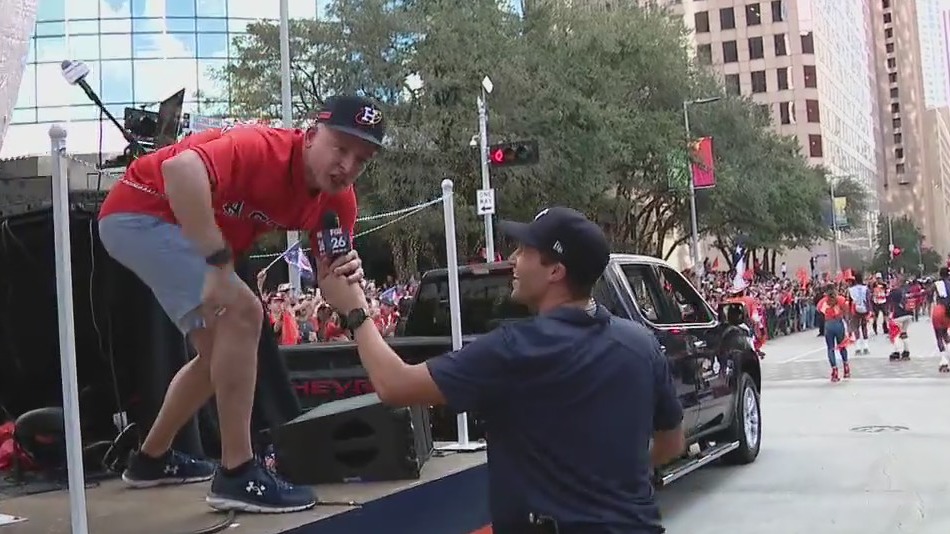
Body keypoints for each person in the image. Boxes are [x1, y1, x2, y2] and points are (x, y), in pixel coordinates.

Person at [316, 207, 685, 534]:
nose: (512, 260)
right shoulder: (641, 344)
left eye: (525, 251)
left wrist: (356, 310)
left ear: (555, 271)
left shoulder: (516, 349)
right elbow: (672, 442)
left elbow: (394, 385)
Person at [97, 95, 385, 512]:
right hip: (139, 212)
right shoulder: (262, 147)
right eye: (340, 147)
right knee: (245, 312)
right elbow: (179, 170)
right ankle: (237, 473)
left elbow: (329, 276)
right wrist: (216, 259)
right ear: (309, 135)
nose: (348, 166)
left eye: (362, 158)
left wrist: (348, 289)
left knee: (220, 356)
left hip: (171, 231)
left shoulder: (339, 203)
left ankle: (150, 459)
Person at [817, 285, 850, 382]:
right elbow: (846, 309)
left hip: (828, 325)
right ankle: (846, 367)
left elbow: (819, 310)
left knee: (830, 348)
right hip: (838, 323)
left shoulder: (823, 301)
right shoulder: (840, 299)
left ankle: (834, 370)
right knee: (842, 346)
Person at [886, 276, 914, 362]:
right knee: (904, 332)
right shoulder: (905, 290)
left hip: (898, 315)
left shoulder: (893, 292)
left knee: (895, 334)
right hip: (909, 314)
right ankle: (906, 351)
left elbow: (888, 303)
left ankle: (896, 352)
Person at [846, 271, 871, 355]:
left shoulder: (851, 289)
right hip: (864, 309)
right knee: (864, 327)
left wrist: (849, 313)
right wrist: (870, 310)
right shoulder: (866, 288)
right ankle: (866, 347)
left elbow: (850, 301)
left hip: (855, 310)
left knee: (856, 328)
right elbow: (868, 300)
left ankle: (857, 348)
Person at [934, 268, 950, 372]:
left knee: (939, 335)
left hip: (940, 309)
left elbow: (927, 293)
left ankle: (944, 360)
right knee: (946, 334)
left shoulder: (937, 284)